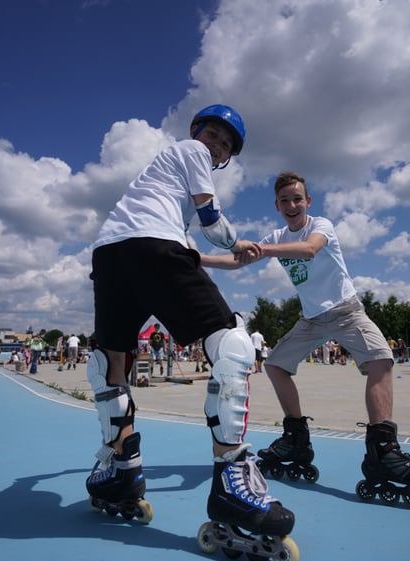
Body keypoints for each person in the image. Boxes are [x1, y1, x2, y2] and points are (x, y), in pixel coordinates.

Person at [86, 104, 295, 541]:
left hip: (111, 253)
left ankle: (120, 469)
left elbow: (190, 255)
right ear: (197, 132)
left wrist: (230, 261)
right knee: (233, 343)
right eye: (213, 135)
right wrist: (239, 244)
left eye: (225, 144)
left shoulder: (160, 188)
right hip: (151, 247)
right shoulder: (191, 152)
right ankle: (233, 478)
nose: (216, 144)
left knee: (111, 362)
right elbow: (211, 222)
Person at [201, 171, 410, 510]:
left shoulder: (321, 226)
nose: (291, 205)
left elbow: (309, 249)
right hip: (311, 319)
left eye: (297, 198)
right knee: (274, 365)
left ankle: (383, 451)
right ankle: (296, 439)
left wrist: (264, 250)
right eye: (284, 200)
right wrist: (198, 259)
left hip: (346, 311)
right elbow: (238, 260)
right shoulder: (275, 234)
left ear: (308, 201)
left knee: (381, 360)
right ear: (276, 205)